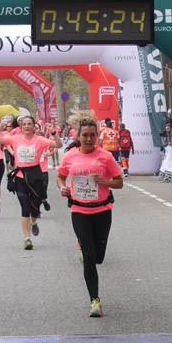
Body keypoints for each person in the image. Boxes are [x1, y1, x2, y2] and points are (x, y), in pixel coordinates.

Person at [58, 118, 124, 318]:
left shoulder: (105, 157)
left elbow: (119, 182)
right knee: (88, 257)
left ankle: (85, 246)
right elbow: (61, 175)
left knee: (99, 257)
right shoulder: (69, 156)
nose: (88, 139)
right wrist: (62, 187)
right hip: (79, 211)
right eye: (84, 135)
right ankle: (94, 300)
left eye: (92, 135)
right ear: (78, 136)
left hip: (102, 211)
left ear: (97, 136)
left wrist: (106, 182)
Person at [0, 115, 54, 250]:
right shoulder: (15, 139)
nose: (27, 126)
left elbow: (58, 145)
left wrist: (54, 133)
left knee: (35, 208)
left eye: (29, 124)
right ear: (21, 127)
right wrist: (1, 125)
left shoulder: (39, 140)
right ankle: (27, 238)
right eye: (24, 124)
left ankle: (34, 222)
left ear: (34, 127)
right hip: (20, 177)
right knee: (24, 207)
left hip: (36, 176)